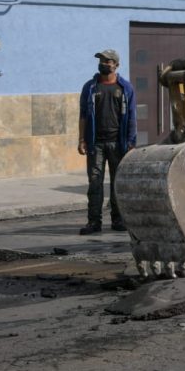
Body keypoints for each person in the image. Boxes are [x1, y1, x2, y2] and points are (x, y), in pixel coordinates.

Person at [78, 49, 136, 235]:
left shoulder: (125, 88)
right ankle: (93, 222)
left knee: (117, 184)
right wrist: (82, 140)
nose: (103, 63)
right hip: (95, 145)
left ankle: (118, 220)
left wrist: (130, 143)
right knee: (95, 183)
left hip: (118, 145)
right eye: (101, 60)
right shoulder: (90, 87)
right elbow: (83, 116)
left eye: (107, 61)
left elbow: (132, 117)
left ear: (116, 65)